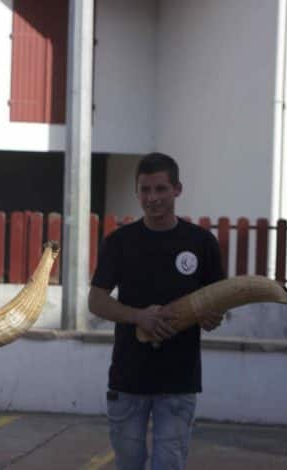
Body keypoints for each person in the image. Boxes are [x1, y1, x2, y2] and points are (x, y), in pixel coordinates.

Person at [88, 153, 225, 470]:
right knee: (129, 462)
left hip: (178, 381)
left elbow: (216, 306)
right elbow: (96, 301)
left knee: (169, 463)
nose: (152, 199)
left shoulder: (201, 243)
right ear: (137, 192)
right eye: (145, 190)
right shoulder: (120, 242)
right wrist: (139, 317)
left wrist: (211, 318)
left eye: (161, 189)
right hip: (128, 379)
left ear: (177, 189)